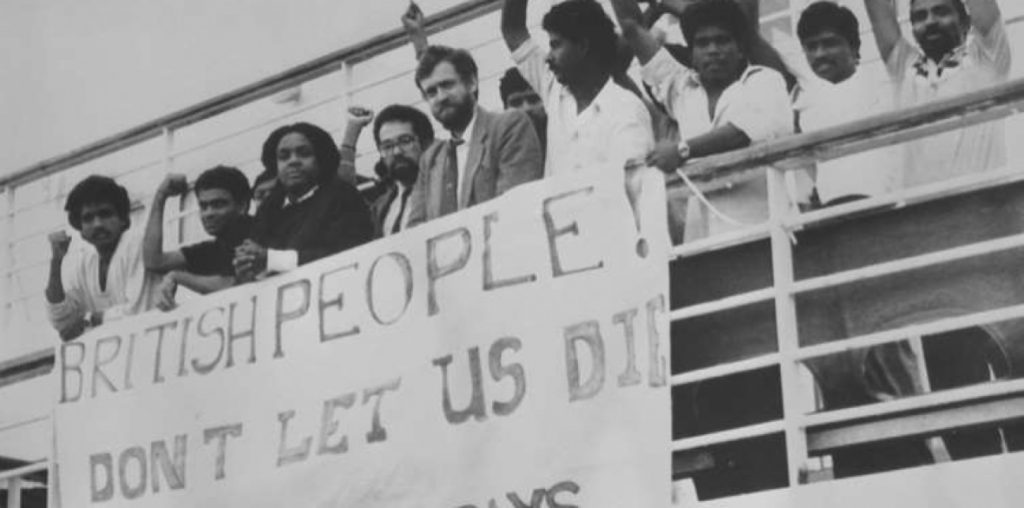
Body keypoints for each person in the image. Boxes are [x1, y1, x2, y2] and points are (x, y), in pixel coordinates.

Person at [615, 0, 792, 241]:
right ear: (692, 53)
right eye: (703, 43)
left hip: (766, 235)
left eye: (722, 40)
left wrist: (682, 150)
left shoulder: (766, 81)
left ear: (740, 48)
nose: (713, 49)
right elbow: (631, 28)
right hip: (703, 244)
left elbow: (740, 133)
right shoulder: (682, 89)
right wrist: (656, 8)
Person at [863, 0, 1011, 187]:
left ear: (965, 22)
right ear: (913, 30)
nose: (930, 21)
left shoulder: (987, 60)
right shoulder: (904, 70)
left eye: (941, 12)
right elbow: (878, 9)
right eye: (920, 16)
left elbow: (984, 9)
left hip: (980, 204)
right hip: (923, 211)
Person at [502, 0, 654, 177]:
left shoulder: (626, 108)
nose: (548, 57)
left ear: (582, 46)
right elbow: (512, 29)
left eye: (556, 45)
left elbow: (634, 186)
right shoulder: (553, 89)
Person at [405, 45, 544, 226]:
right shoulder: (430, 159)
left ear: (472, 83)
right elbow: (416, 231)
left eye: (447, 85)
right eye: (431, 92)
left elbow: (515, 209)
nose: (440, 97)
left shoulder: (508, 126)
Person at [788, 1, 899, 206]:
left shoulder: (881, 84)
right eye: (812, 47)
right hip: (832, 214)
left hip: (885, 207)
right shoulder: (802, 103)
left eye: (830, 43)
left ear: (854, 46)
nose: (820, 54)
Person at [399, 2, 548, 152]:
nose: (526, 108)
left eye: (533, 99)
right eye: (516, 102)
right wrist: (419, 42)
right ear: (505, 108)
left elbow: (514, 31)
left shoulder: (562, 127)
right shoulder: (498, 144)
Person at [234, 123, 374, 281]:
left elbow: (348, 253)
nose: (293, 161)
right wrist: (246, 267)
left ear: (320, 159)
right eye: (284, 156)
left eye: (304, 153)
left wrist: (272, 260)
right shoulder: (268, 211)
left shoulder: (343, 197)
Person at [45, 175, 160, 340]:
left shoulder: (137, 245)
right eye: (88, 218)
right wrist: (56, 261)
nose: (97, 224)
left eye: (105, 214)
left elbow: (140, 311)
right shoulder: (85, 261)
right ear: (80, 228)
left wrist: (90, 319)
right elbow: (61, 320)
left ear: (122, 219)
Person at [143, 166, 254, 310]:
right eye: (203, 206)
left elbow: (231, 283)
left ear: (242, 206)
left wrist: (177, 277)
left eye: (218, 205)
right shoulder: (212, 249)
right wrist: (161, 196)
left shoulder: (258, 231)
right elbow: (154, 261)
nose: (208, 213)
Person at [338, 104, 436, 237]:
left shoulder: (444, 185)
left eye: (405, 141)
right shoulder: (379, 208)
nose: (397, 152)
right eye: (387, 146)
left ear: (425, 143)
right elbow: (343, 196)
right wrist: (352, 130)